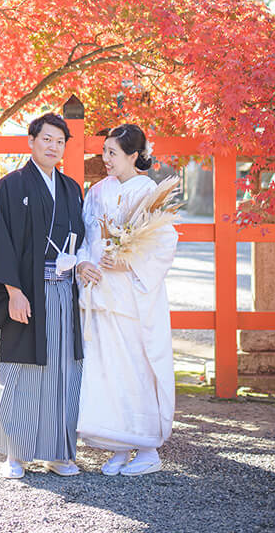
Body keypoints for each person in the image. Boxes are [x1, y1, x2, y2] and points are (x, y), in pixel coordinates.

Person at [0, 112, 85, 479]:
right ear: (31, 141)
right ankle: (16, 454)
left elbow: (81, 239)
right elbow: (1, 243)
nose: (53, 146)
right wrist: (12, 292)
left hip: (62, 291)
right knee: (22, 368)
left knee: (63, 369)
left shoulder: (72, 188)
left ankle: (59, 453)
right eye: (47, 139)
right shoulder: (10, 186)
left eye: (60, 141)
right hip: (26, 291)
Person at [76, 124, 178, 476]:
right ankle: (118, 444)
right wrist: (83, 263)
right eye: (104, 152)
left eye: (113, 153)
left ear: (134, 156)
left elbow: (163, 245)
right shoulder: (97, 191)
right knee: (108, 370)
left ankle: (147, 447)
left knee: (137, 368)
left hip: (134, 296)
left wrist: (126, 261)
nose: (105, 159)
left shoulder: (149, 192)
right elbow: (86, 237)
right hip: (101, 292)